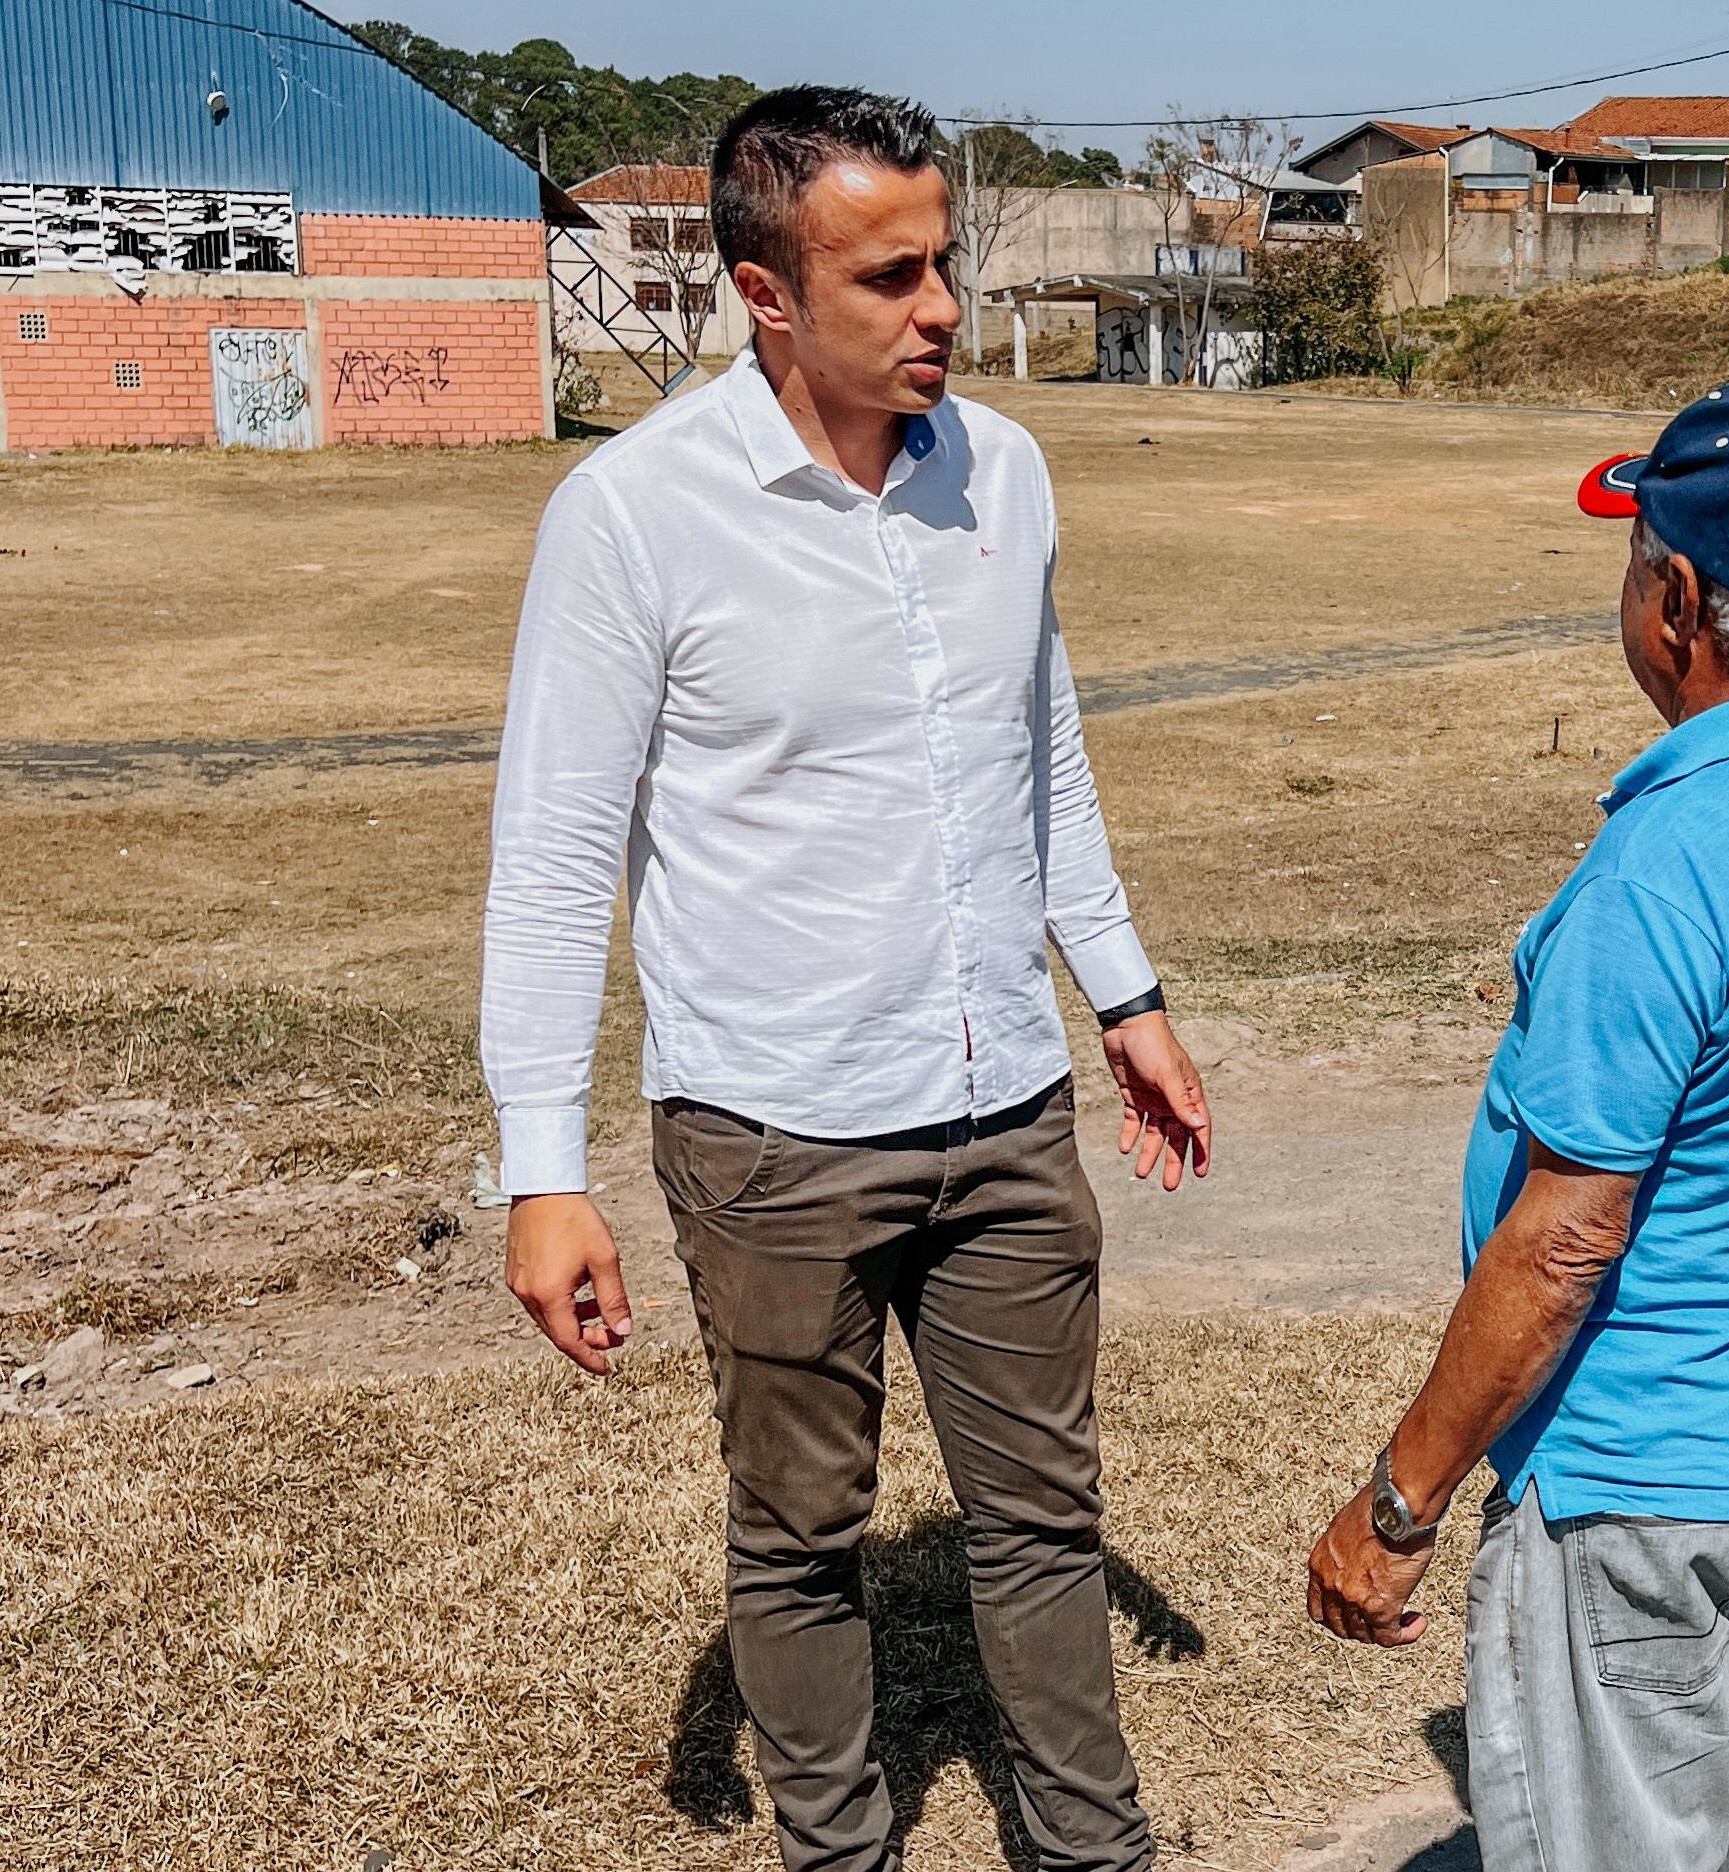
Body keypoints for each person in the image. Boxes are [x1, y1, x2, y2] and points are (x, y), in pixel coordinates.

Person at [479, 86, 1210, 1872]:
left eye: (944, 262)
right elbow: (555, 854)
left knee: (1041, 1518)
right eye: (888, 277)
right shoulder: (632, 512)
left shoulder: (1002, 471)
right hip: (773, 1132)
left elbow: (1041, 754)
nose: (940, 308)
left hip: (1004, 1109)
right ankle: (839, 1850)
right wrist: (541, 1169)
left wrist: (1121, 996)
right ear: (765, 294)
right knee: (801, 1534)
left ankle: (1092, 1853)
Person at [1303, 383, 1729, 1871]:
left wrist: (1398, 1503)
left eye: (1633, 563)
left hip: (1639, 1487)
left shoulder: (1668, 865)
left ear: (1676, 599)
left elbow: (1564, 1242)